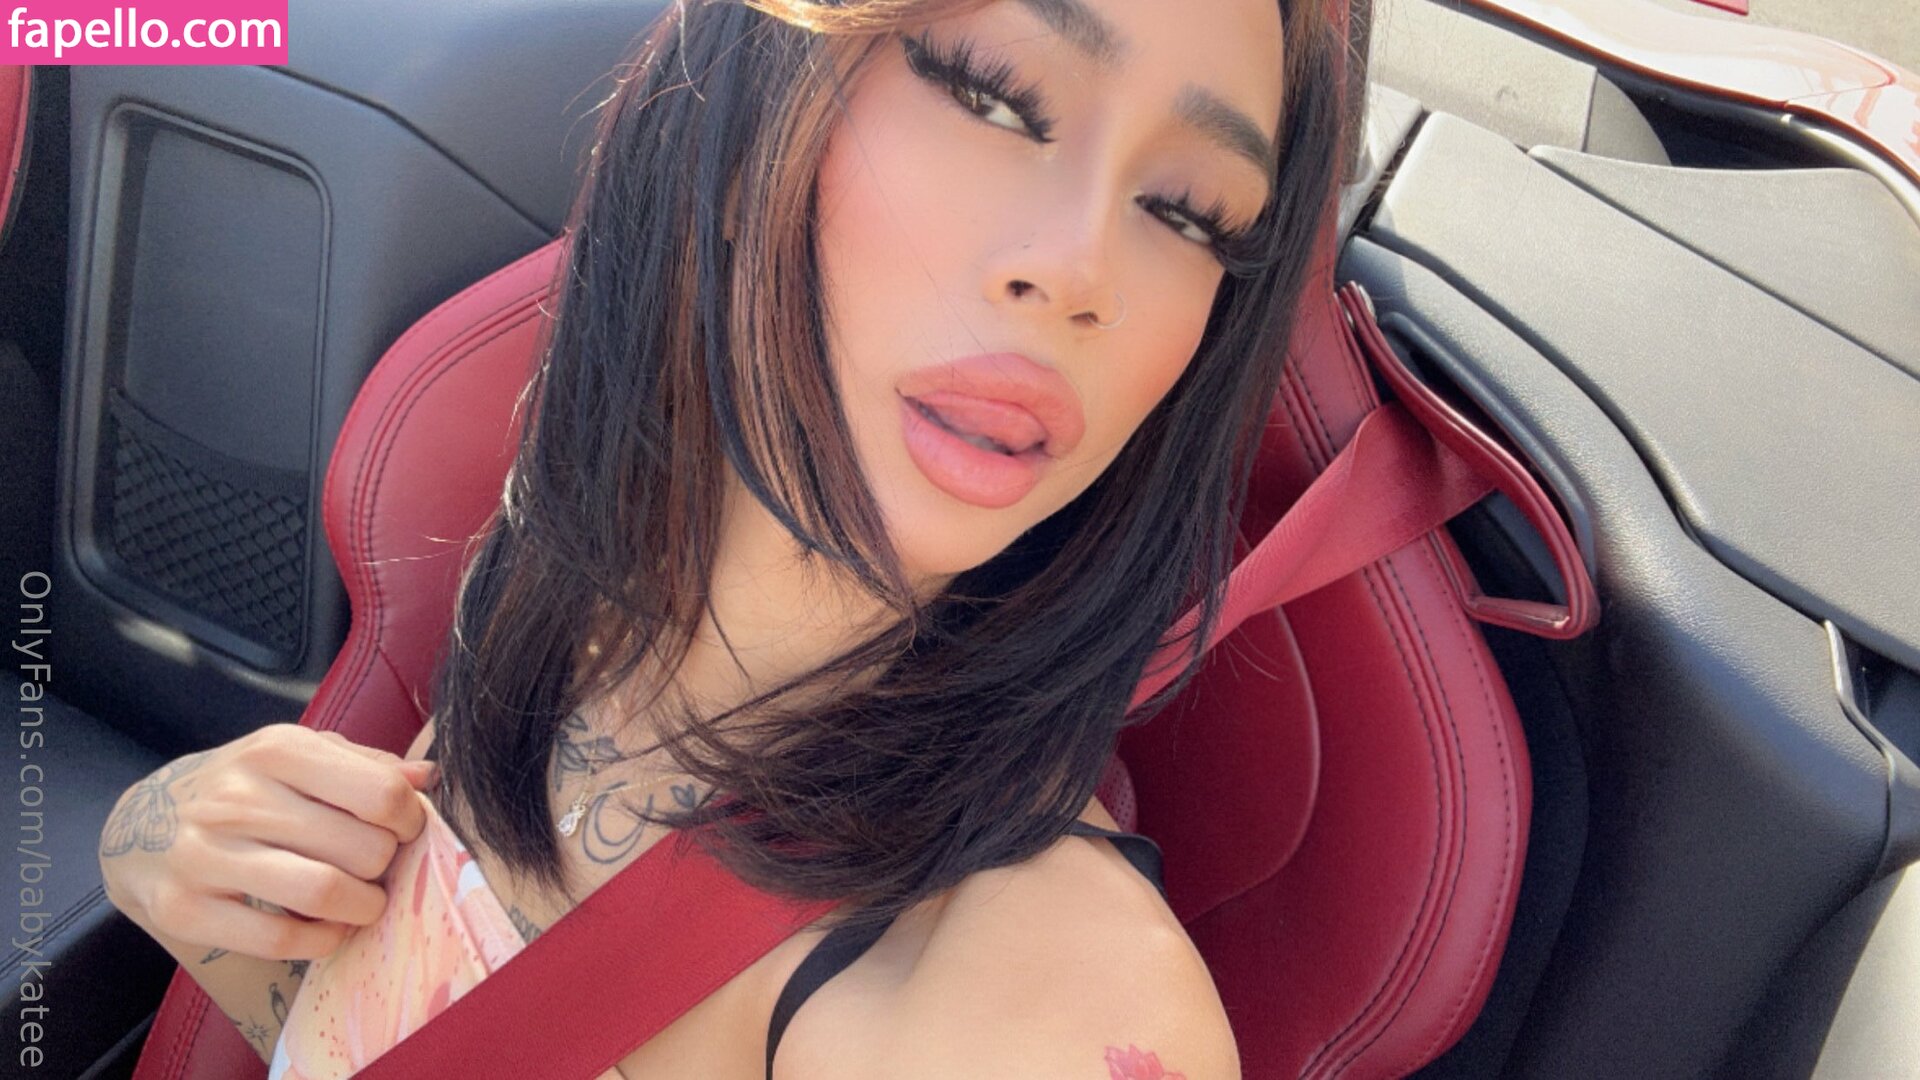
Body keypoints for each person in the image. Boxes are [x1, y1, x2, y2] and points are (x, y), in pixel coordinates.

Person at [98, 0, 1363, 1075]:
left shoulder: (1030, 1013)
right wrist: (156, 846)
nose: (1082, 270)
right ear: (751, 91)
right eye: (989, 94)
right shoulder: (552, 583)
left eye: (1191, 214)